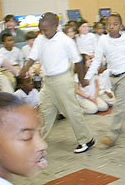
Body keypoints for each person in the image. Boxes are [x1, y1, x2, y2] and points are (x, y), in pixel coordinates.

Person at [18, 12, 95, 153]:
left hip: (62, 80)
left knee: (71, 111)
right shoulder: (41, 39)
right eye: (41, 29)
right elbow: (33, 55)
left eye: (45, 29)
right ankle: (38, 140)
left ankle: (86, 140)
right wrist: (25, 68)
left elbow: (77, 60)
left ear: (55, 26)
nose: (43, 32)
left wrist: (82, 79)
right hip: (48, 81)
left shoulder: (65, 40)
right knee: (45, 112)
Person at [85, 13, 125, 146]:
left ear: (121, 25)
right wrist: (88, 76)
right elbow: (97, 61)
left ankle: (113, 134)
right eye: (108, 24)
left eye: (115, 24)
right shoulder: (102, 40)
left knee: (119, 105)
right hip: (113, 77)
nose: (111, 27)